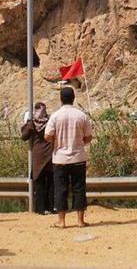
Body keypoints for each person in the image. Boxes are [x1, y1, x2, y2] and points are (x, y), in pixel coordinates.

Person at [44, 87, 93, 228]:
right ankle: (80, 220)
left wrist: (57, 141)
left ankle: (62, 221)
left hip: (60, 159)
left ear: (61, 98)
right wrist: (80, 142)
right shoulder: (81, 115)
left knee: (60, 189)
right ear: (73, 98)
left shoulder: (55, 116)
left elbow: (47, 135)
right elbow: (89, 136)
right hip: (78, 158)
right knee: (79, 188)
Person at [21, 103, 55, 215]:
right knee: (50, 182)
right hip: (50, 155)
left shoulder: (32, 123)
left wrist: (27, 123)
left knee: (39, 182)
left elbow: (24, 136)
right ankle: (50, 207)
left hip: (38, 156)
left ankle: (40, 209)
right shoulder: (50, 121)